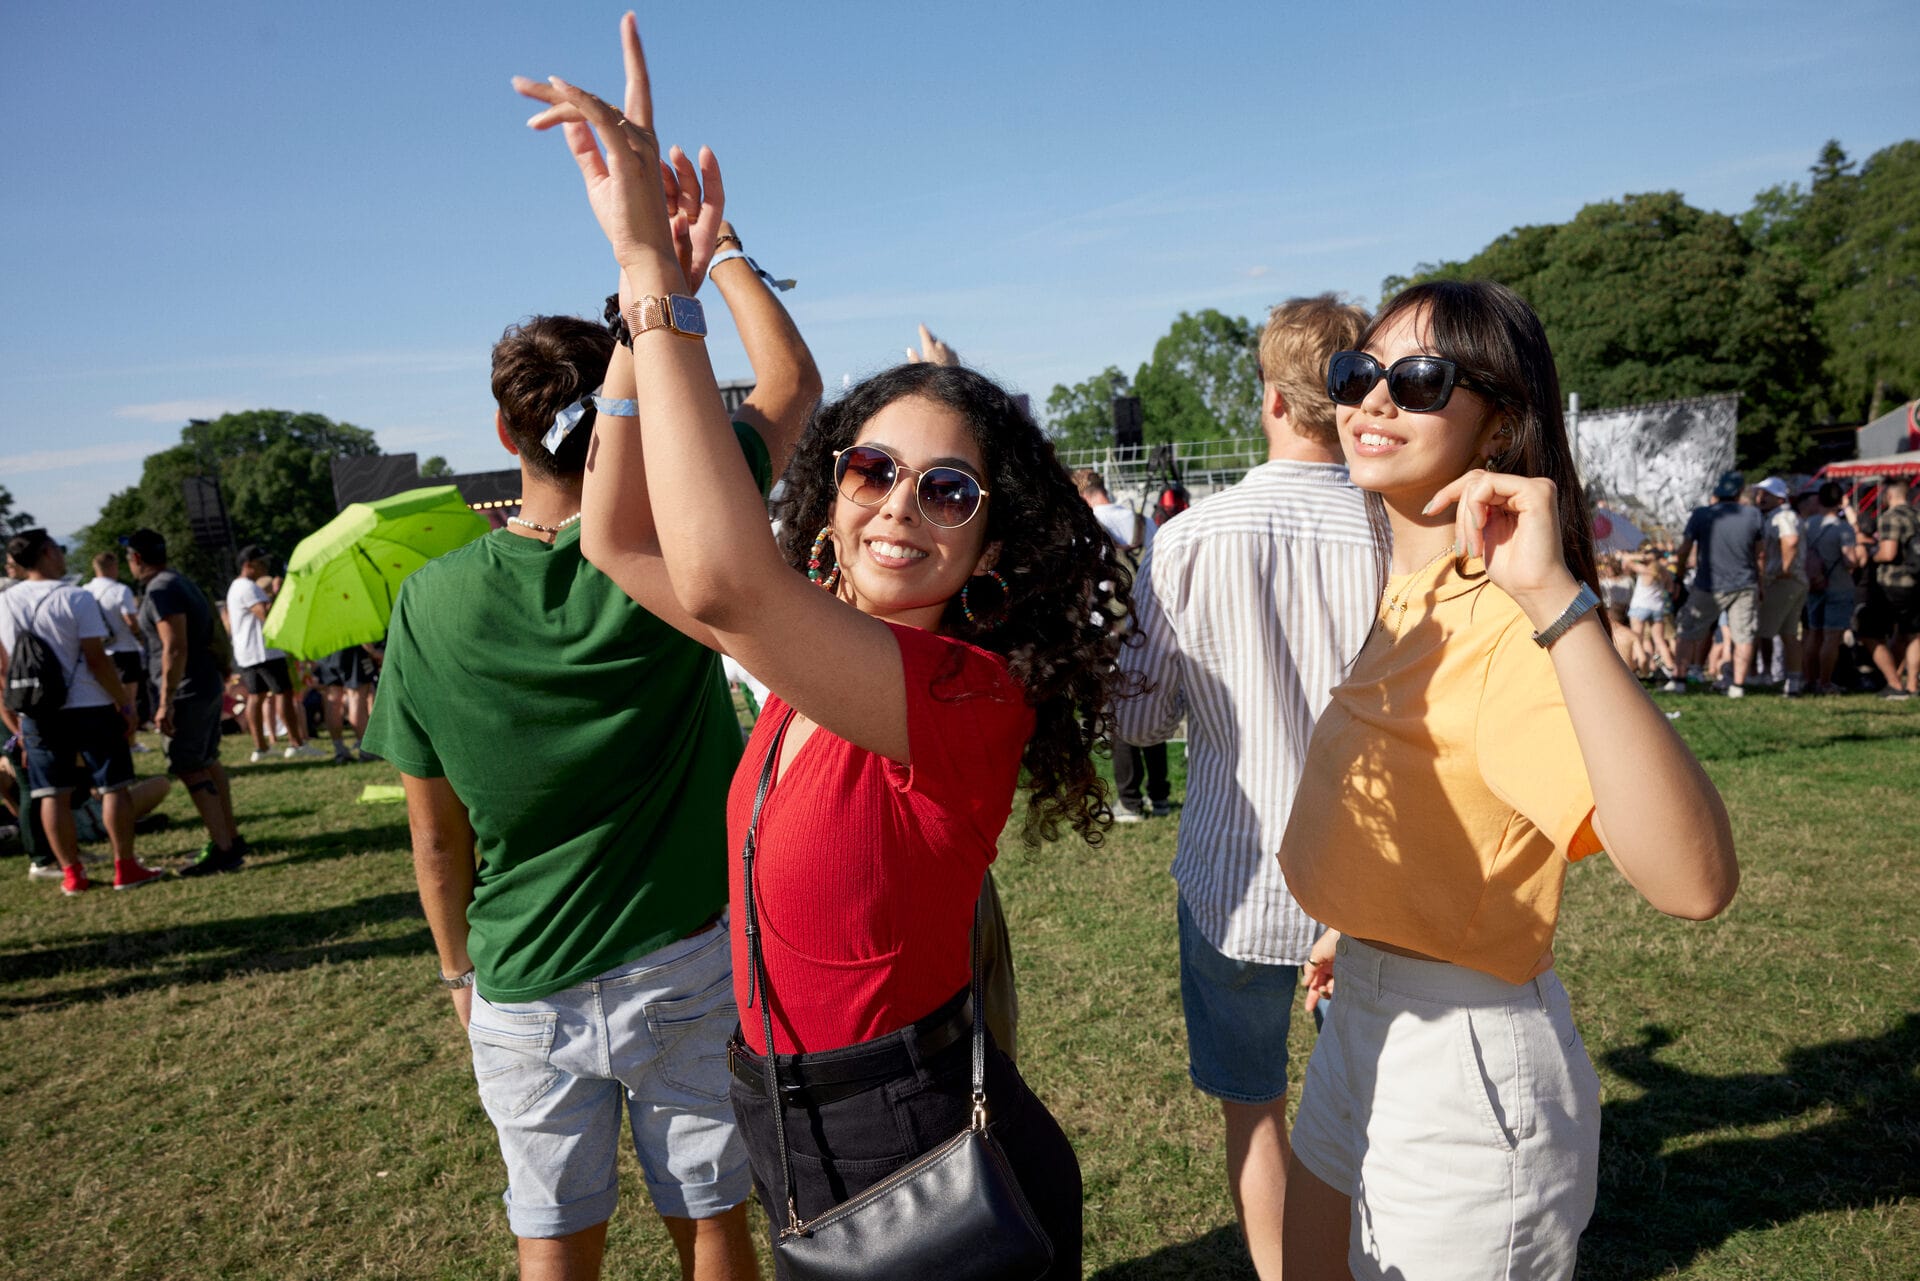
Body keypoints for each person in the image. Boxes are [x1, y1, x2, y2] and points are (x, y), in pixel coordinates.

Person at [527, 59, 1108, 1276]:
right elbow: (618, 539)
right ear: (833, 496)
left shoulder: (962, 697)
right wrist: (656, 307)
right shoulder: (807, 665)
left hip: (899, 1127)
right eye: (871, 470)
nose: (903, 505)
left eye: (949, 489)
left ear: (989, 546)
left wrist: (655, 289)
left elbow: (729, 578)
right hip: (783, 1106)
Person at [370, 27, 821, 1278]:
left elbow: (432, 829)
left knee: (552, 1243)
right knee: (713, 1227)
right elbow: (789, 384)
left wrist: (458, 968)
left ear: (505, 429)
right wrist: (701, 257)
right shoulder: (689, 532)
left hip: (521, 975)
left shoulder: (430, 603)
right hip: (686, 944)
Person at [1276, 280, 1739, 1281]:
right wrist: (1356, 924)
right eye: (1361, 374)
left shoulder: (1509, 625)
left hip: (1463, 1067)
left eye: (1421, 379)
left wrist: (1557, 603)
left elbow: (1693, 883)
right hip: (1364, 1009)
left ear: (1498, 424)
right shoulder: (1414, 596)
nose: (1375, 400)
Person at [1116, 293, 1378, 1280]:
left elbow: (1138, 721)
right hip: (1374, 881)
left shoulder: (1189, 539)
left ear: (1270, 398)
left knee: (1253, 1109)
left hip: (1237, 871)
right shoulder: (1403, 534)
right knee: (1379, 1101)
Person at [0, 529, 164, 894]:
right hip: (88, 704)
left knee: (50, 793)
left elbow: (4, 666)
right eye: (58, 549)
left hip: (38, 710)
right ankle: (125, 866)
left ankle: (72, 873)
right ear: (46, 554)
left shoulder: (5, 602)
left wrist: (16, 717)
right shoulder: (76, 597)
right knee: (113, 786)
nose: (62, 555)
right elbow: (95, 659)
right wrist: (123, 701)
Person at [123, 528, 248, 875]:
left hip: (187, 688)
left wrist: (165, 701)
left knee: (190, 765)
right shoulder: (181, 581)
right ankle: (230, 838)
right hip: (203, 681)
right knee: (208, 760)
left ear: (136, 558)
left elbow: (173, 645)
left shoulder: (161, 590)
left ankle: (224, 848)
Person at [1077, 469, 1170, 819]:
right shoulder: (1144, 523)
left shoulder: (1084, 529)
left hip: (1106, 634)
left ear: (1082, 494)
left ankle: (1130, 801)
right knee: (1152, 707)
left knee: (1117, 715)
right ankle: (1159, 797)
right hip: (1148, 629)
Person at [1671, 470, 1765, 696]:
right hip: (1744, 584)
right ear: (1740, 492)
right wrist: (1761, 583)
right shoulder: (1753, 515)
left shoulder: (1702, 515)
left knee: (1687, 630)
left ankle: (1678, 680)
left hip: (1707, 585)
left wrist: (1678, 576)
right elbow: (1760, 555)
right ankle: (1737, 686)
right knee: (1743, 636)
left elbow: (1684, 551)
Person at [226, 547, 322, 762]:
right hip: (264, 652)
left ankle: (261, 747)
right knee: (284, 694)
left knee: (256, 697)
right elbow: (265, 615)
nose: (265, 567)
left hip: (248, 652)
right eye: (261, 562)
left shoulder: (236, 587)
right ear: (248, 564)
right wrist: (279, 594)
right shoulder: (249, 587)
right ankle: (296, 743)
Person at [1802, 481, 1867, 695]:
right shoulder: (1843, 528)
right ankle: (1825, 682)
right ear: (1840, 502)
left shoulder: (1807, 524)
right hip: (1838, 586)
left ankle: (1808, 679)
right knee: (1831, 637)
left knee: (1813, 634)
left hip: (1813, 585)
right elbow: (1850, 561)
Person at [1751, 476, 1808, 695]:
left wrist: (1784, 568)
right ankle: (1791, 681)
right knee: (1789, 634)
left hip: (1783, 582)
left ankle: (1768, 675)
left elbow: (1790, 541)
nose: (1761, 498)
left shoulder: (1783, 516)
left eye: (1767, 494)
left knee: (1764, 630)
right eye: (1760, 494)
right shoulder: (1778, 515)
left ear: (1779, 497)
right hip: (1792, 581)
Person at [84, 550, 150, 732]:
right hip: (125, 648)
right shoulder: (120, 590)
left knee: (108, 697)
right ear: (113, 567)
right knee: (129, 698)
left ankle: (114, 732)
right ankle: (130, 737)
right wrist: (140, 638)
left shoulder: (84, 591)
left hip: (98, 650)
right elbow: (130, 619)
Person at [1869, 478, 1919, 699]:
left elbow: (1888, 553)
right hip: (1918, 580)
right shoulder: (1917, 515)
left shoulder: (1891, 517)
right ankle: (1912, 685)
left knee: (1871, 633)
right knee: (1913, 634)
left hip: (1894, 583)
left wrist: (1872, 554)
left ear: (1888, 495)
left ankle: (1893, 682)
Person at [312, 643, 381, 762]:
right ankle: (365, 750)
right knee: (356, 698)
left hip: (326, 650)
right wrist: (373, 651)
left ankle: (339, 749)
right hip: (351, 650)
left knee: (332, 699)